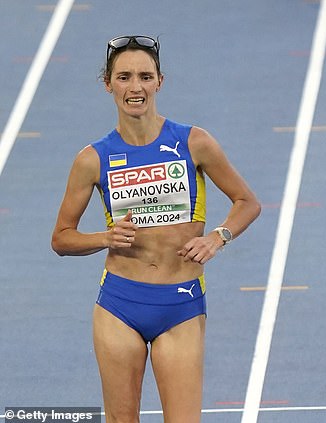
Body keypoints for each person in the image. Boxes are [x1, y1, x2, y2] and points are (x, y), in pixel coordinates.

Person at [51, 35, 261, 422]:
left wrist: (219, 237)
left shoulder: (193, 142)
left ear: (159, 82)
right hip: (119, 304)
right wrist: (104, 238)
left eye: (145, 77)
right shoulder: (92, 160)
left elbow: (247, 203)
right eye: (125, 77)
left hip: (180, 303)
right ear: (108, 84)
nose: (135, 87)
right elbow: (61, 238)